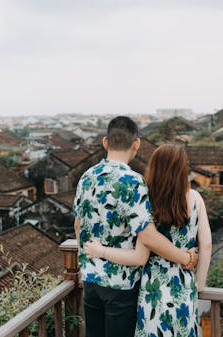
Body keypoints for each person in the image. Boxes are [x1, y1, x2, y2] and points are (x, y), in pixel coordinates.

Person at [73, 117, 198, 337]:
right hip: (120, 287)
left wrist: (90, 259)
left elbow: (78, 225)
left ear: (105, 142)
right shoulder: (133, 182)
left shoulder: (86, 177)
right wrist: (184, 258)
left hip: (91, 282)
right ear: (137, 144)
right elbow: (148, 237)